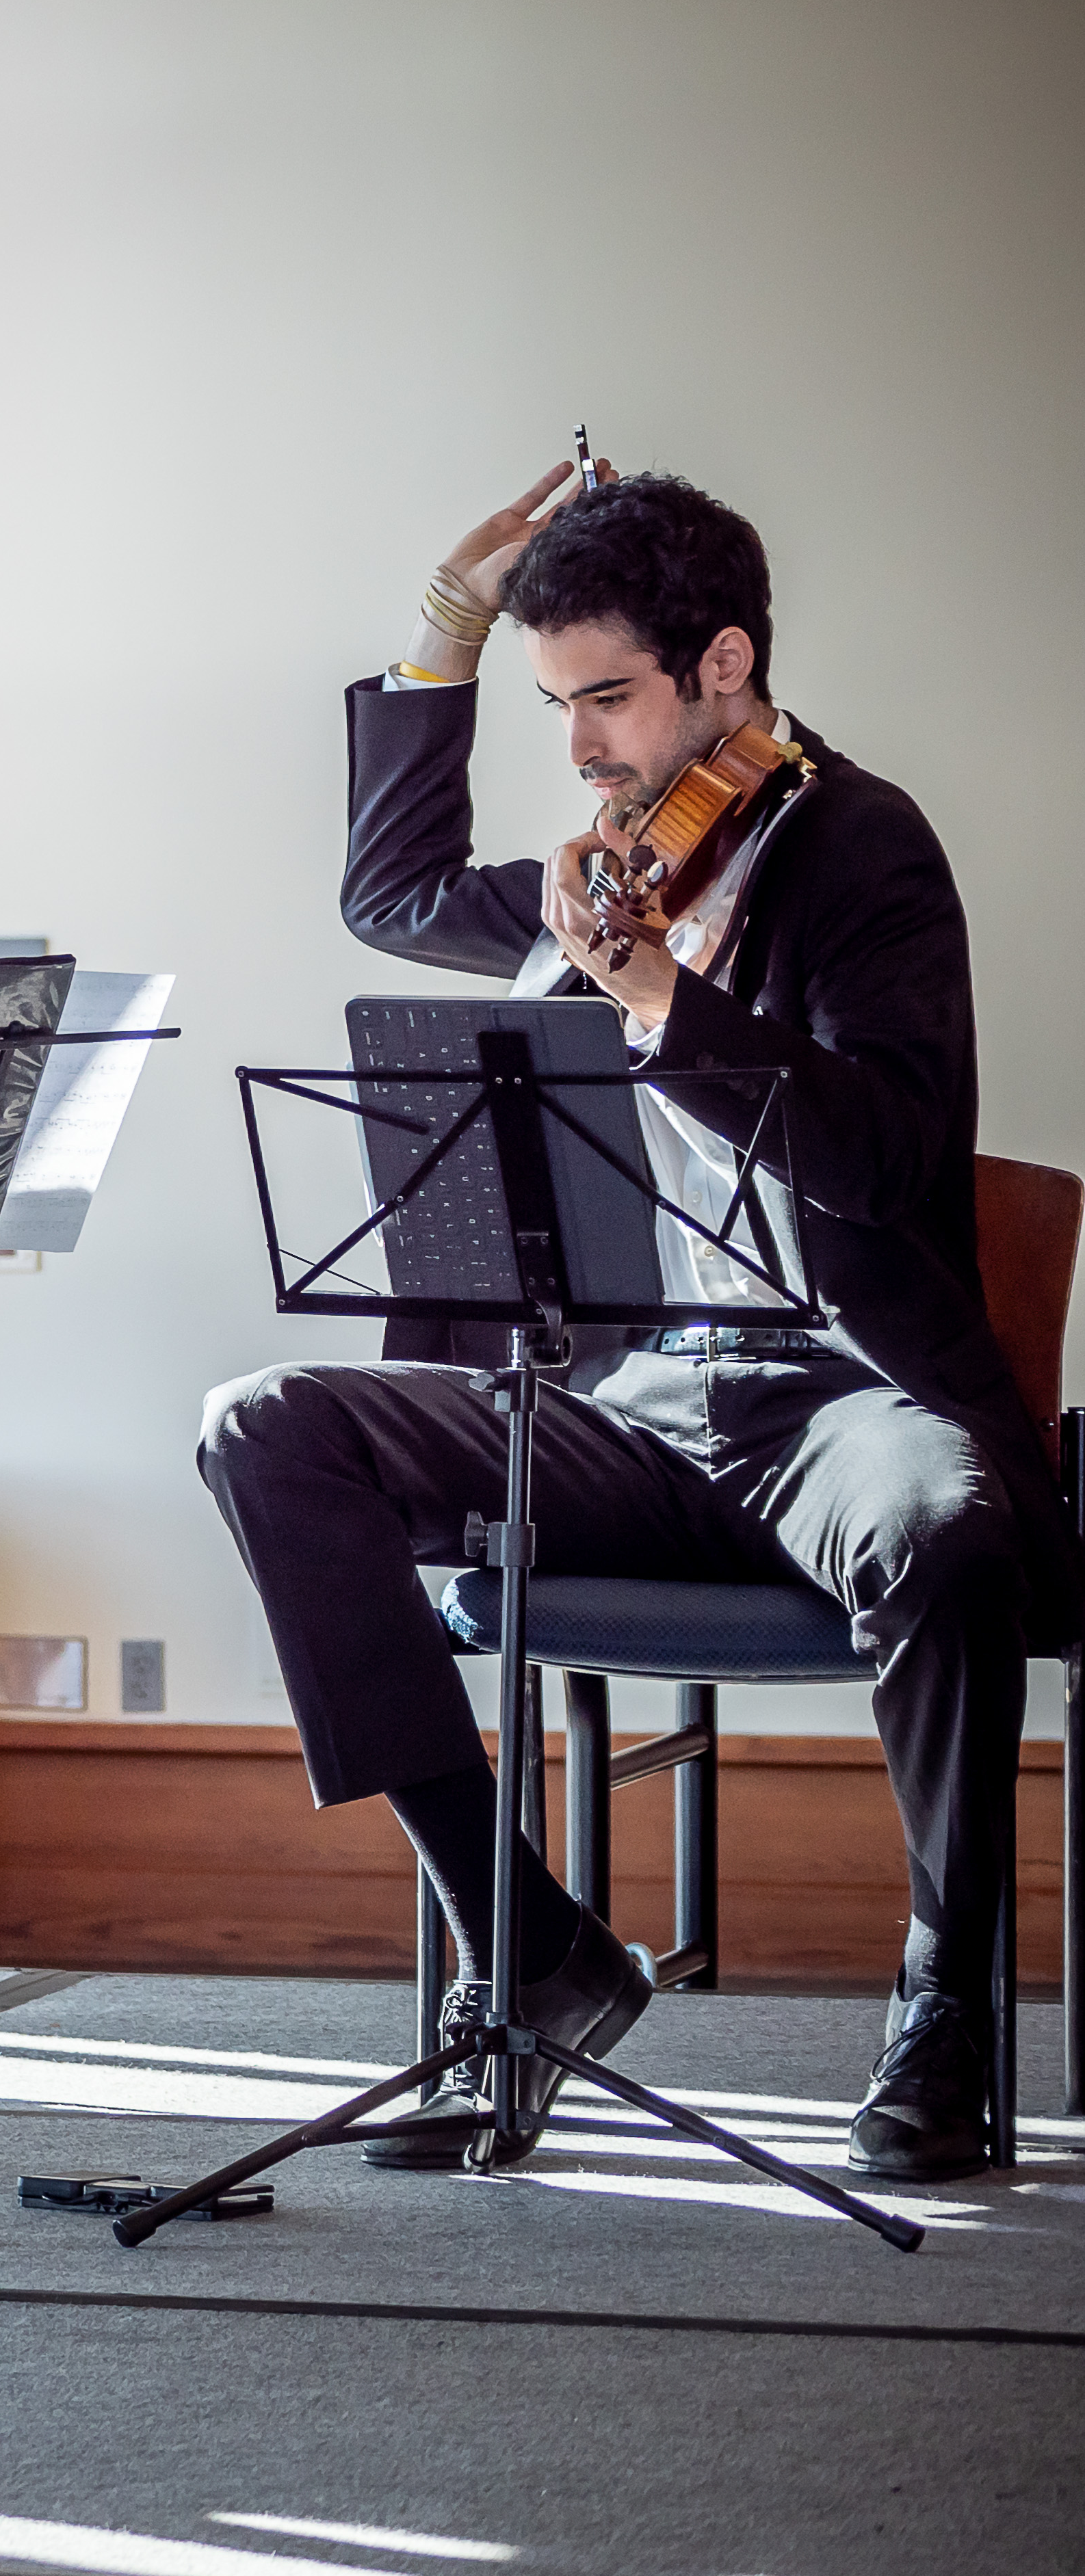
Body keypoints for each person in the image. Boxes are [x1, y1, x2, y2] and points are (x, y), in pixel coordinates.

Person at [196, 460, 1070, 2181]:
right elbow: (390, 894)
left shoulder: (863, 849)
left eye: (607, 697)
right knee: (263, 1427)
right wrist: (444, 628)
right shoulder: (603, 868)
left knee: (950, 1533)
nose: (582, 747)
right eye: (556, 705)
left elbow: (894, 1155)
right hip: (625, 1395)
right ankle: (527, 1940)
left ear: (724, 665)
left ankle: (943, 2019)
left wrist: (666, 998)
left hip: (832, 1392)